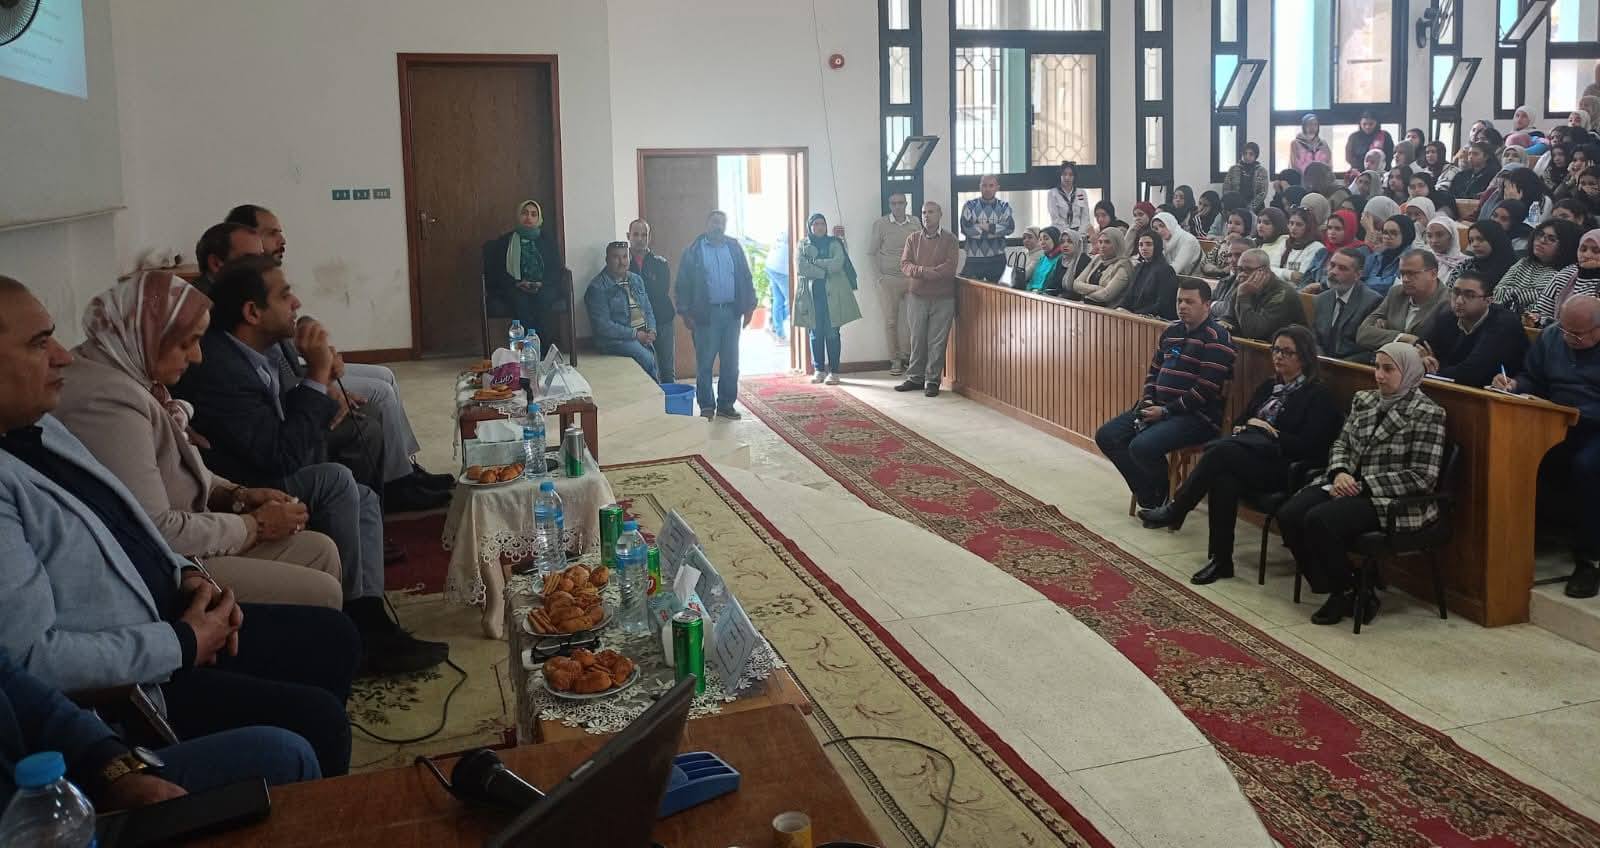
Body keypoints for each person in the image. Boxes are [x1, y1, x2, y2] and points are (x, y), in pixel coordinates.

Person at [0, 275, 361, 777]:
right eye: (40, 343)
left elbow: (124, 521)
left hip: (170, 604)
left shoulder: (39, 427)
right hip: (134, 678)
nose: (63, 356)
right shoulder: (99, 401)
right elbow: (29, 662)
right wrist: (186, 639)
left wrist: (188, 574)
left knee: (334, 636)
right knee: (315, 720)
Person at [171, 256, 447, 674]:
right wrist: (317, 377)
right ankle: (355, 624)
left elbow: (286, 419)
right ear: (252, 312)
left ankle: (369, 617)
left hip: (262, 463)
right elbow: (279, 456)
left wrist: (322, 390)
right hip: (240, 483)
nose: (296, 303)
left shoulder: (258, 348)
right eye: (285, 295)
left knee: (365, 498)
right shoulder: (221, 367)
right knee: (336, 479)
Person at [54, 273, 343, 610]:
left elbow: (176, 468)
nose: (197, 357)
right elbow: (155, 530)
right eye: (186, 343)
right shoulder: (109, 403)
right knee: (322, 590)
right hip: (164, 563)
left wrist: (236, 494)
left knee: (321, 550)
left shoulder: (130, 372)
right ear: (147, 336)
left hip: (190, 533)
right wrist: (256, 525)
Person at [225, 206, 450, 511]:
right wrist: (320, 384)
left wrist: (310, 339)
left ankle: (404, 469)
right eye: (271, 234)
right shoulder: (233, 311)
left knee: (385, 375)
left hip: (298, 375)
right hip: (294, 393)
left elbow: (285, 338)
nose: (281, 240)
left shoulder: (262, 285)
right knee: (379, 394)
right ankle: (397, 483)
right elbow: (276, 387)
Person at [1138, 326, 1342, 584]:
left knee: (1219, 453)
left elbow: (1312, 446)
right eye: (1276, 350)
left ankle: (1177, 509)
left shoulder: (1318, 396)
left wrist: (1272, 433)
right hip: (1249, 456)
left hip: (1284, 467)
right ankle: (1221, 561)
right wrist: (1247, 427)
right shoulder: (1269, 386)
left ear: (1304, 357)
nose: (1279, 356)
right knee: (1223, 478)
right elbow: (1241, 420)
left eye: (1287, 352)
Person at [0, 652, 320, 809]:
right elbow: (41, 655)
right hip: (30, 821)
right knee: (314, 715)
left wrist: (117, 771)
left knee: (287, 756)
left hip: (57, 794)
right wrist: (181, 642)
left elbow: (15, 682)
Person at [1277, 343, 1447, 625]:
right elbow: (1341, 443)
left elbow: (1422, 476)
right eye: (1376, 367)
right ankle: (1351, 587)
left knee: (1320, 520)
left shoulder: (1428, 413)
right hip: (1345, 483)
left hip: (1388, 499)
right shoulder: (1364, 399)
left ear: (1408, 372)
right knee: (1289, 515)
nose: (1379, 375)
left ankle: (1342, 592)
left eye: (1388, 369)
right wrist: (1339, 472)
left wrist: (1362, 485)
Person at [1094, 278, 1236, 511]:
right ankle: (1151, 495)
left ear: (1206, 305)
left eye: (1189, 301)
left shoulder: (1217, 338)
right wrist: (1148, 399)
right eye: (1179, 301)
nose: (1182, 306)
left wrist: (1166, 411)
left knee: (1141, 447)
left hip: (1196, 417)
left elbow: (1205, 390)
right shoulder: (1172, 331)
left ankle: (1160, 500)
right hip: (1158, 408)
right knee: (1107, 436)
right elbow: (1154, 372)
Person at [1495, 295, 1600, 598]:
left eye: (1577, 334)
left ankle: (1589, 559)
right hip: (1554, 420)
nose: (1568, 338)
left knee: (1586, 467)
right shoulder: (1553, 335)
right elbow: (1533, 377)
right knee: (1515, 454)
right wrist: (1515, 385)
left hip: (1594, 426)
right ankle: (1519, 540)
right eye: (1565, 330)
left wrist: (1579, 413)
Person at [677, 211, 757, 420]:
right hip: (706, 315)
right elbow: (683, 283)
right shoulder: (694, 251)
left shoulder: (734, 248)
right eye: (714, 222)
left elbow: (746, 277)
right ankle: (706, 406)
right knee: (705, 363)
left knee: (731, 363)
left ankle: (726, 405)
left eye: (722, 223)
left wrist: (749, 307)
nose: (718, 226)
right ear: (707, 225)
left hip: (731, 314)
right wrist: (685, 312)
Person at [1418, 270, 1529, 387]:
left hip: (1496, 392)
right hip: (1451, 386)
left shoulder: (1504, 324)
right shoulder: (1447, 315)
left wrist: (1430, 370)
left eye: (1469, 295)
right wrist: (1423, 360)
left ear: (1488, 300)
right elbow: (1420, 347)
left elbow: (1472, 373)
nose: (1459, 301)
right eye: (1455, 292)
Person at [897, 201, 961, 398]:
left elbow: (950, 266)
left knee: (937, 341)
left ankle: (932, 380)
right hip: (917, 296)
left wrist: (926, 273)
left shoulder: (950, 239)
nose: (926, 216)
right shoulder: (913, 239)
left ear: (940, 214)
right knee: (917, 339)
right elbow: (905, 265)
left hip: (943, 298)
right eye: (924, 212)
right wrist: (924, 271)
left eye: (931, 212)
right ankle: (915, 378)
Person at [480, 200, 566, 342]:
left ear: (539, 218)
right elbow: (496, 271)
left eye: (533, 214)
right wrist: (516, 283)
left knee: (543, 298)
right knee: (520, 301)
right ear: (518, 216)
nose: (528, 217)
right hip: (513, 286)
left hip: (543, 286)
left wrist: (541, 283)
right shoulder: (505, 241)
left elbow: (556, 269)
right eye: (525, 213)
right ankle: (533, 345)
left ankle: (538, 344)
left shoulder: (547, 241)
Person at [794, 213, 862, 385]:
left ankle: (834, 371)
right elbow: (801, 267)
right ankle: (819, 370)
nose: (819, 227)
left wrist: (815, 262)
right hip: (812, 296)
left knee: (832, 333)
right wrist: (824, 270)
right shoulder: (803, 244)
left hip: (833, 295)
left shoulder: (834, 243)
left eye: (822, 224)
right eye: (815, 224)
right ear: (810, 227)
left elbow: (837, 264)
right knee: (815, 333)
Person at [1353, 249, 1450, 363]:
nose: (1405, 279)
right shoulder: (1396, 293)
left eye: (1412, 274)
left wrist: (1384, 333)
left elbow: (1429, 347)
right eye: (1402, 273)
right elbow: (1363, 334)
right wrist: (1403, 337)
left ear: (1433, 274)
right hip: (1384, 360)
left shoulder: (1447, 302)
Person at [583, 241, 659, 381]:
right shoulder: (597, 288)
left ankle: (655, 390)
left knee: (653, 358)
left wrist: (652, 330)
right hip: (614, 341)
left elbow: (648, 309)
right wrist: (635, 334)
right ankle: (657, 390)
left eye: (625, 257)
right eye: (616, 257)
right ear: (607, 260)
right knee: (647, 359)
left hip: (641, 334)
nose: (622, 262)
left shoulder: (636, 280)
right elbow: (603, 326)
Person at [871, 194, 920, 375]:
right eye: (893, 203)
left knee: (914, 320)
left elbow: (921, 247)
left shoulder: (915, 222)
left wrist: (919, 274)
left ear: (906, 204)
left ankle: (910, 358)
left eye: (900, 203)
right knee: (891, 321)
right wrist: (879, 277)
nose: (897, 206)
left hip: (911, 279)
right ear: (889, 205)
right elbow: (871, 252)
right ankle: (895, 360)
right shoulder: (881, 224)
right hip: (889, 280)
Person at [1495, 218, 1582, 317]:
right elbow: (1498, 292)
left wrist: (1513, 295)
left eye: (1551, 239)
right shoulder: (1525, 262)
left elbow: (1539, 309)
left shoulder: (1566, 274)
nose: (1541, 240)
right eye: (1540, 234)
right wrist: (1532, 294)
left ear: (1567, 246)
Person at [1313, 247, 1386, 359]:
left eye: (1342, 268)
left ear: (1358, 275)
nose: (1333, 272)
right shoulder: (1322, 298)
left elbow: (1368, 348)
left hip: (1352, 365)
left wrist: (1338, 365)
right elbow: (1314, 336)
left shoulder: (1372, 301)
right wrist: (1320, 358)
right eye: (1332, 265)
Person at [627, 219, 676, 383]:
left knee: (667, 369)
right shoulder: (623, 264)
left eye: (644, 235)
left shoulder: (660, 263)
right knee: (644, 369)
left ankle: (669, 398)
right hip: (636, 325)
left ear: (649, 237)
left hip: (662, 321)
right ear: (628, 236)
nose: (640, 239)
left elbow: (659, 292)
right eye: (636, 234)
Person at [1232, 249, 1308, 341]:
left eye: (1248, 270)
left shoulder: (1283, 293)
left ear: (1265, 271)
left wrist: (1243, 297)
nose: (1242, 274)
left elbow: (1254, 332)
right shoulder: (1243, 285)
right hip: (1249, 345)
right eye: (1240, 269)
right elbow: (1228, 318)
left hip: (1282, 347)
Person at [1533, 228, 1600, 325]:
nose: (1587, 255)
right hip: (1556, 332)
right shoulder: (1566, 274)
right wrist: (1539, 320)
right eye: (1583, 249)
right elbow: (1540, 311)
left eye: (1596, 251)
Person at [959, 175, 1014, 281]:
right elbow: (966, 229)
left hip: (997, 259)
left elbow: (1009, 228)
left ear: (997, 188)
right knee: (968, 290)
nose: (987, 189)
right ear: (980, 187)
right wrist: (995, 231)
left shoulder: (1004, 206)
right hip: (974, 259)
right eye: (984, 185)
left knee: (999, 291)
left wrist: (985, 226)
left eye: (991, 185)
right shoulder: (969, 206)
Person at [1303, 209, 1367, 293]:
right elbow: (1305, 279)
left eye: (1338, 229)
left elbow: (1358, 282)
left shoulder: (1360, 251)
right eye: (1329, 228)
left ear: (1349, 229)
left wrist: (1321, 285)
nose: (1332, 232)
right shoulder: (1322, 252)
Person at [192, 222, 263, 296]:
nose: (262, 266)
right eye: (251, 259)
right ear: (215, 264)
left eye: (262, 257)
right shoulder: (201, 300)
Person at [1122, 231, 1179, 320]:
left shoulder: (1166, 270)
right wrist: (1121, 308)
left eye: (1148, 244)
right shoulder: (1139, 267)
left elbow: (1163, 304)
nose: (1144, 248)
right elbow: (1128, 295)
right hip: (1135, 316)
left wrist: (1135, 314)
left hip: (1154, 319)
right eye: (1141, 245)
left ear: (1157, 246)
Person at [1070, 227, 1134, 307]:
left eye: (1107, 242)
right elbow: (1076, 284)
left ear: (1117, 244)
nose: (1102, 246)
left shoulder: (1123, 266)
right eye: (1100, 242)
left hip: (1109, 310)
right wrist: (1099, 288)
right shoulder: (1098, 259)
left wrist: (1085, 294)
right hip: (1089, 306)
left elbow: (1105, 295)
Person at [1447, 219, 1518, 289]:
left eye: (1481, 239)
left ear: (1496, 240)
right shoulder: (1465, 266)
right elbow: (1449, 292)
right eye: (1471, 240)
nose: (1474, 244)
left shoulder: (1514, 270)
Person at [1361, 214, 1415, 295]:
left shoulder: (1411, 257)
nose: (1387, 237)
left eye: (1393, 233)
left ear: (1406, 234)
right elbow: (1360, 276)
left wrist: (1365, 283)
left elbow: (1393, 283)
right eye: (1385, 232)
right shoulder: (1379, 253)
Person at [1204, 237, 1252, 326]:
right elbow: (1205, 305)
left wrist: (1213, 305)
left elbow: (1231, 311)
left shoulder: (1256, 285)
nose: (1232, 260)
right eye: (1229, 255)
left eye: (1239, 255)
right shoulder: (1225, 281)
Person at [1277, 207, 1328, 288]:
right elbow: (1270, 269)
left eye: (1299, 224)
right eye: (1291, 223)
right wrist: (1290, 274)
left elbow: (1302, 278)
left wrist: (1281, 274)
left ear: (1308, 227)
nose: (1293, 228)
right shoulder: (1285, 242)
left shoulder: (1316, 247)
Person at [1016, 227, 1070, 295]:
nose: (1042, 242)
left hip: (1046, 296)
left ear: (1055, 239)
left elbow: (1054, 286)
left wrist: (1038, 292)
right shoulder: (1043, 258)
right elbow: (1032, 280)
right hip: (1032, 293)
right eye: (1040, 239)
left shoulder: (1062, 259)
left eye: (1046, 239)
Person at [1048, 161, 1092, 240]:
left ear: (1074, 177)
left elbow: (1085, 216)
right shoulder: (1053, 193)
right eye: (1064, 174)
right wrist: (1068, 234)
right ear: (1060, 175)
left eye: (1071, 175)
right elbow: (1055, 218)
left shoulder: (1081, 193)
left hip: (1079, 233)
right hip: (1061, 232)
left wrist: (1079, 234)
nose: (1067, 177)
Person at [1151, 212, 1202, 276]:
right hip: (1175, 277)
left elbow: (1176, 268)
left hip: (1195, 278)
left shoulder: (1188, 240)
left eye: (1162, 226)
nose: (1159, 231)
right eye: (1156, 229)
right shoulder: (1162, 241)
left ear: (1170, 224)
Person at [1224, 142, 1269, 212]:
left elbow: (1262, 193)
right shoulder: (1233, 169)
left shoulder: (1262, 171)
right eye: (1245, 153)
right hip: (1235, 207)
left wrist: (1250, 208)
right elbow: (1226, 189)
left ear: (1256, 156)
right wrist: (1232, 204)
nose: (1247, 156)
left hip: (1256, 209)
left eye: (1251, 154)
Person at [764, 231, 790, 342]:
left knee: (778, 299)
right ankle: (775, 325)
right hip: (781, 269)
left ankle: (778, 331)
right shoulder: (796, 229)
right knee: (794, 301)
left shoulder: (784, 231)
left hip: (771, 265)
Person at [1425, 215, 1469, 281]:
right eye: (1429, 236)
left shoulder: (1466, 264)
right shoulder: (1424, 259)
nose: (1434, 241)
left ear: (1452, 236)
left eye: (1440, 235)